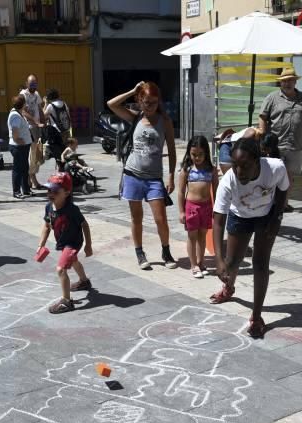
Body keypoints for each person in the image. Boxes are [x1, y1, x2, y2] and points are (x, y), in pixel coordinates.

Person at [209, 138, 289, 338]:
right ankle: (229, 288)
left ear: (257, 161)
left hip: (266, 217)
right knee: (232, 262)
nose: (239, 172)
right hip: (240, 217)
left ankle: (256, 315)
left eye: (244, 166)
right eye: (235, 165)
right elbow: (218, 221)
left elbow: (283, 188)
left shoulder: (275, 168)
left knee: (261, 264)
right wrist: (219, 260)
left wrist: (277, 217)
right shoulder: (229, 180)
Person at [107, 81, 177, 270]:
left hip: (154, 177)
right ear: (139, 101)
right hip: (132, 175)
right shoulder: (135, 118)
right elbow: (111, 104)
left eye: (153, 102)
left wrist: (171, 175)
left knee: (160, 218)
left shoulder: (165, 121)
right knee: (136, 218)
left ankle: (166, 251)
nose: (149, 106)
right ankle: (140, 253)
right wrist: (132, 90)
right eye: (146, 102)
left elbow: (171, 149)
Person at [37, 173, 93, 314]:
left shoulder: (72, 210)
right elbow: (46, 225)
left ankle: (67, 301)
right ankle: (84, 281)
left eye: (55, 191)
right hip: (63, 240)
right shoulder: (49, 207)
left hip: (73, 242)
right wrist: (41, 244)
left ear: (67, 192)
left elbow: (85, 225)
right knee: (73, 261)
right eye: (49, 190)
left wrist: (88, 245)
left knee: (61, 269)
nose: (50, 193)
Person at [259, 68, 302, 210]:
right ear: (280, 82)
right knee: (272, 175)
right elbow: (262, 116)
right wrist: (263, 135)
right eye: (284, 81)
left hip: (295, 144)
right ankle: (270, 203)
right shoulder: (272, 97)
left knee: (289, 176)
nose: (287, 83)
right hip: (276, 145)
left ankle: (283, 203)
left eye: (290, 80)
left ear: (295, 81)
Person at [177, 136, 218, 279]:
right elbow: (181, 191)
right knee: (192, 236)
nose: (197, 157)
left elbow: (217, 190)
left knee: (202, 236)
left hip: (206, 207)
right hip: (191, 207)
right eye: (194, 154)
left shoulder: (211, 170)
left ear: (206, 153)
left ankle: (201, 263)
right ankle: (193, 265)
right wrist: (181, 211)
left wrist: (217, 210)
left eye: (200, 154)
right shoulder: (186, 170)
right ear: (189, 153)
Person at [20, 75, 45, 191]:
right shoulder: (23, 95)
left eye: (35, 85)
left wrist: (43, 122)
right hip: (27, 128)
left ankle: (32, 178)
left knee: (37, 155)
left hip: (37, 128)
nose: (33, 87)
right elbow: (23, 112)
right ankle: (31, 179)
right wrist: (35, 121)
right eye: (31, 85)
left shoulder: (36, 94)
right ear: (26, 84)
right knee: (32, 155)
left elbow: (39, 109)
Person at [8, 94, 32, 198]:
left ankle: (26, 189)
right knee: (18, 168)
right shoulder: (15, 116)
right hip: (18, 147)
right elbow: (15, 131)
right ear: (22, 104)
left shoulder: (19, 113)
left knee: (24, 168)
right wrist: (18, 140)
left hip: (23, 146)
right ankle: (16, 191)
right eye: (25, 103)